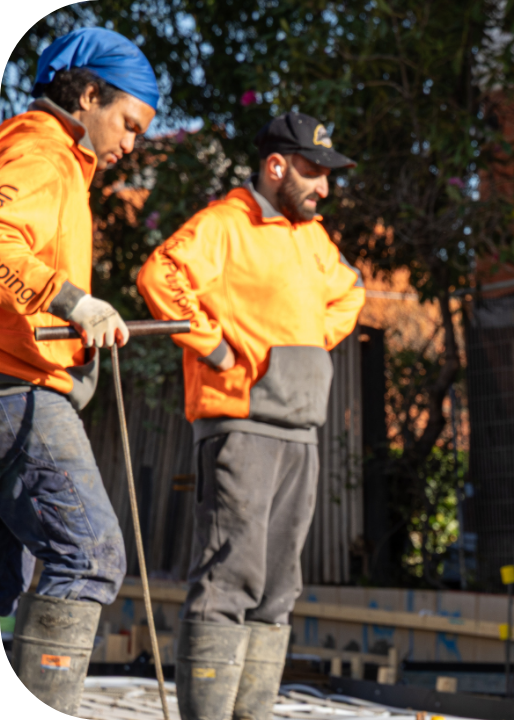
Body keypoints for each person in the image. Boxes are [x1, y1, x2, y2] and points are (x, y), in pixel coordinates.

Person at [136, 112, 365, 720]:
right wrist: (216, 348)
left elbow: (352, 292)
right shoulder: (226, 223)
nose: (325, 187)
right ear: (276, 166)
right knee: (229, 579)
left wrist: (305, 346)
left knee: (279, 588)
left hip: (300, 429)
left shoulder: (311, 237)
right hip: (240, 426)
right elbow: (160, 272)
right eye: (315, 173)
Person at [0, 27, 159, 714]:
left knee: (7, 582)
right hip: (16, 388)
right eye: (128, 123)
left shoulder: (63, 163)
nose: (132, 143)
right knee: (88, 555)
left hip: (21, 380)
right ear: (88, 95)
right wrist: (73, 299)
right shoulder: (42, 151)